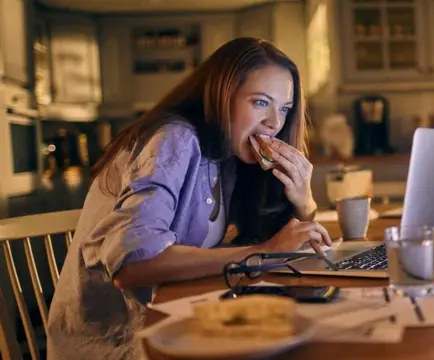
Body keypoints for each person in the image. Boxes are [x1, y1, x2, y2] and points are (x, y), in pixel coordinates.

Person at [47, 37, 333, 360]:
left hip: (176, 322)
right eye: (260, 103)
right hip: (118, 344)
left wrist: (304, 203)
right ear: (222, 94)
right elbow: (131, 265)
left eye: (284, 108)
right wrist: (259, 252)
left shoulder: (227, 155)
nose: (275, 123)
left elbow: (281, 244)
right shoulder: (175, 139)